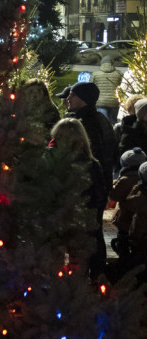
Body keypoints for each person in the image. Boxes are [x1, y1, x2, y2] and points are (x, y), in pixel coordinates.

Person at [49, 117, 109, 278]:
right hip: (82, 221)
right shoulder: (91, 164)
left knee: (55, 261)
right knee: (79, 263)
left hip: (56, 220)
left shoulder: (51, 161)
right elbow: (99, 195)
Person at [60, 81, 117, 175]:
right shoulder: (99, 118)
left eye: (73, 95)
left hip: (88, 182)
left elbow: (92, 155)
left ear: (84, 98)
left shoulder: (88, 122)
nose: (68, 98)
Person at [92, 59, 122, 124]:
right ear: (112, 63)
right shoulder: (118, 74)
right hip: (114, 102)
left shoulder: (95, 74)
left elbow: (91, 87)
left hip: (100, 102)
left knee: (103, 123)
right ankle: (114, 133)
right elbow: (122, 87)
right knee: (114, 121)